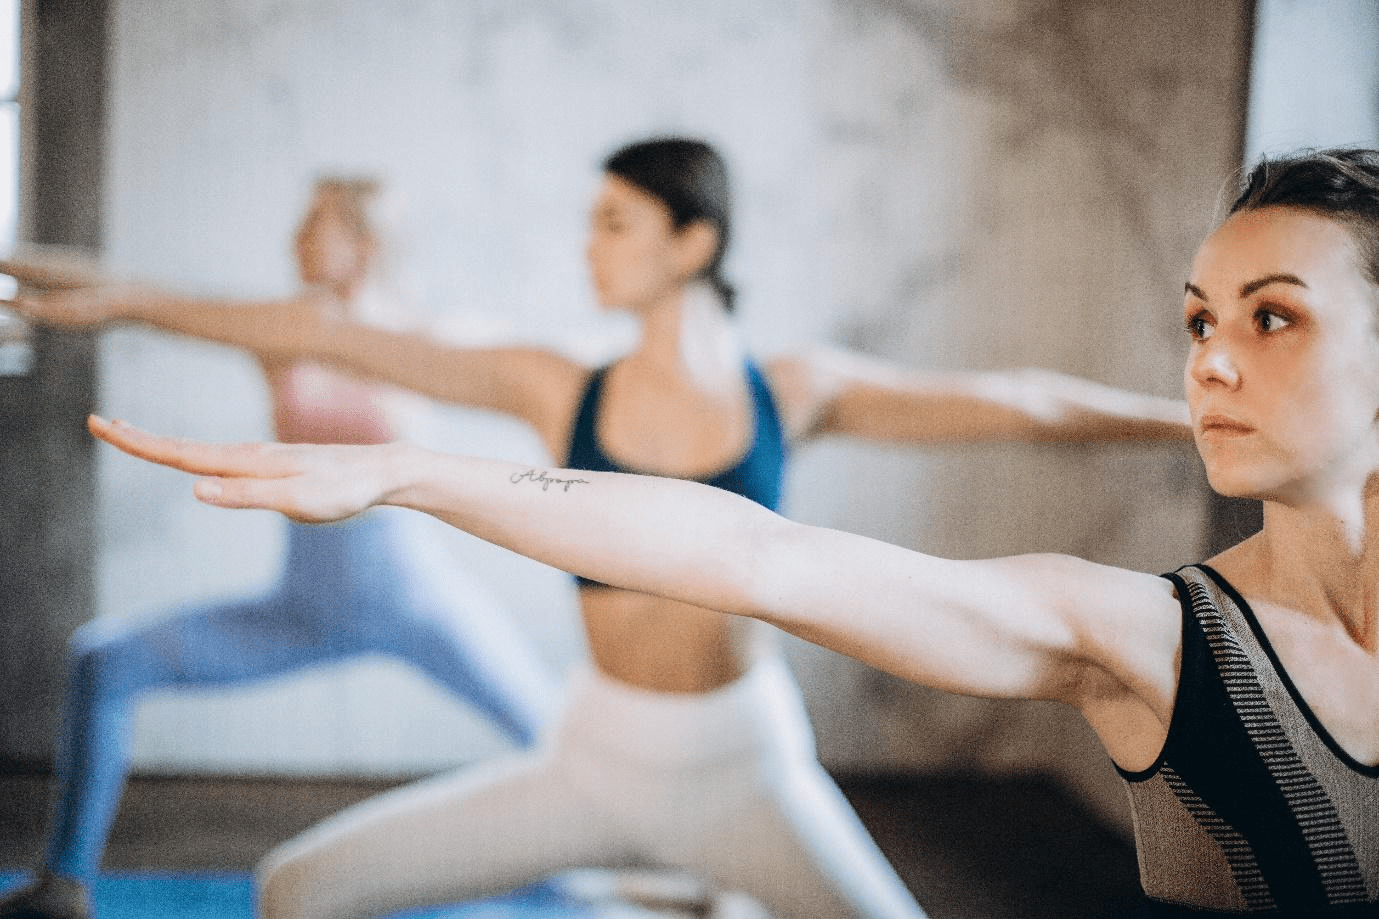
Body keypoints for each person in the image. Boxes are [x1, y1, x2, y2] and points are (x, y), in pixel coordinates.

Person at [82, 146, 1379, 917]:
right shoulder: (555, 381)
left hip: (739, 762)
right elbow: (328, 331)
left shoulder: (786, 385)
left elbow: (1020, 404)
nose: (586, 243)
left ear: (690, 239)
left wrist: (1192, 424)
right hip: (588, 745)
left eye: (611, 220)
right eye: (1199, 326)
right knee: (291, 890)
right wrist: (132, 299)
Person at [0, 178, 560, 919]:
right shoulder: (285, 325)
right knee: (105, 661)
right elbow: (135, 292)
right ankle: (62, 886)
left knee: (564, 730)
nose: (294, 236)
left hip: (409, 593)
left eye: (315, 221)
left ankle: (589, 888)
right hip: (304, 604)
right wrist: (9, 260)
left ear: (363, 243)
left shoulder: (418, 333)